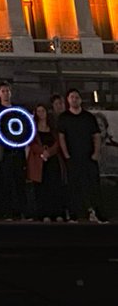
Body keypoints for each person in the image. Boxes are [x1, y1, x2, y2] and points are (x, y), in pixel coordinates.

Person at [57, 88, 105, 222]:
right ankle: (75, 214)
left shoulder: (88, 117)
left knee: (93, 185)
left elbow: (96, 136)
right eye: (72, 97)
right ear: (68, 100)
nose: (74, 99)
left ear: (80, 99)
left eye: (77, 97)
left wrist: (96, 153)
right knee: (73, 186)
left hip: (89, 157)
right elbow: (61, 137)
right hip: (72, 158)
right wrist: (66, 155)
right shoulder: (64, 117)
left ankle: (97, 212)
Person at [0, 81, 26, 219]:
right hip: (4, 152)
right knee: (5, 183)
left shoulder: (18, 110)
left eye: (8, 91)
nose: (6, 93)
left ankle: (21, 212)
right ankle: (7, 212)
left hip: (17, 151)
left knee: (20, 183)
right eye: (3, 91)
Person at [26, 103, 65, 221]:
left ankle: (57, 213)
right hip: (39, 161)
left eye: (43, 111)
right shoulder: (33, 129)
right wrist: (42, 152)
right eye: (38, 111)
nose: (41, 113)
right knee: (42, 188)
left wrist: (50, 152)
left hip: (53, 160)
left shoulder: (53, 128)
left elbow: (58, 142)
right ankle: (44, 213)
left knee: (55, 187)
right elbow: (31, 143)